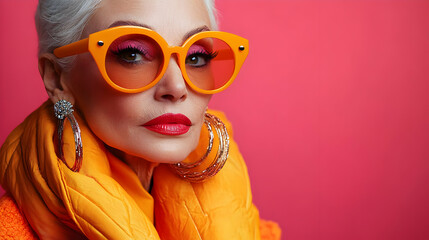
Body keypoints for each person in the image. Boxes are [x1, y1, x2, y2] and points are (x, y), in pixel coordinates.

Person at [0, 0, 281, 239]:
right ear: (57, 78)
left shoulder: (250, 227)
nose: (177, 87)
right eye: (132, 54)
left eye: (196, 57)